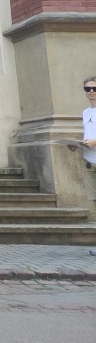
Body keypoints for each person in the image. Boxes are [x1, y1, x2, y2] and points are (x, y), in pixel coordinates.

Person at [77, 76, 96, 256]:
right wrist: (75, 145)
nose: (91, 92)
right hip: (90, 162)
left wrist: (94, 142)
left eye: (94, 88)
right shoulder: (86, 113)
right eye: (87, 89)